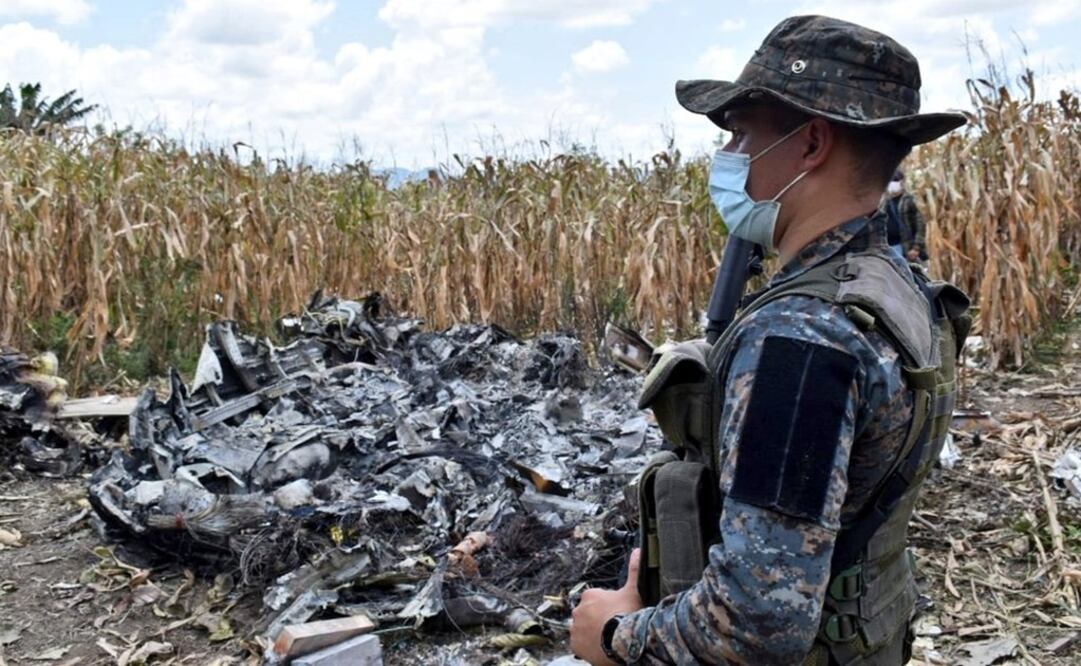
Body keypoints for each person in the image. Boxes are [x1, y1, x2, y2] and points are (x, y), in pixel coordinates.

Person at [569, 14, 970, 665]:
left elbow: (757, 621)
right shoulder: (896, 287)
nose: (728, 153)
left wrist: (615, 636)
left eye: (741, 133)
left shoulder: (800, 338)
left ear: (810, 144)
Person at [882, 170, 928, 263]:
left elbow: (920, 225)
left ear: (902, 182)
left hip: (905, 247)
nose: (892, 184)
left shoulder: (910, 200)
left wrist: (916, 248)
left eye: (895, 181)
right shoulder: (884, 202)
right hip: (888, 247)